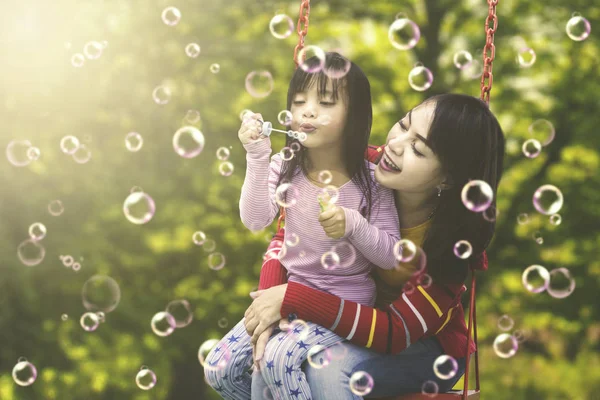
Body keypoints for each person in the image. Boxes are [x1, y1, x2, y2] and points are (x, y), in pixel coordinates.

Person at [244, 93, 505, 399]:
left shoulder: (450, 248)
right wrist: (269, 304)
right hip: (343, 317)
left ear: (447, 179)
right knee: (255, 364)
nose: (394, 144)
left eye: (418, 149)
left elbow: (395, 333)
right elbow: (290, 235)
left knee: (327, 371)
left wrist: (294, 298)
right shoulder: (358, 168)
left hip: (425, 348)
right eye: (403, 124)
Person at [204, 52, 404, 399]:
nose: (308, 111)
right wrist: (257, 156)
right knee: (219, 369)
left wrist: (353, 224)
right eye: (299, 102)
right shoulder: (286, 166)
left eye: (325, 103)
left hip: (343, 303)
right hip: (291, 297)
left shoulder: (372, 182)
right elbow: (255, 219)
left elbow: (390, 255)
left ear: (354, 116)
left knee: (276, 361)